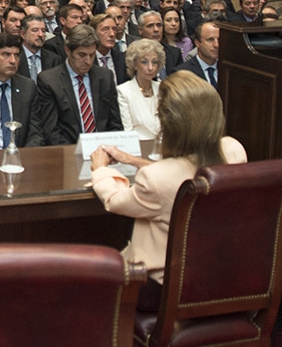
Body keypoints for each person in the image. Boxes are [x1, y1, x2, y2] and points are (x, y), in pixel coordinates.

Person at [90, 71, 247, 310]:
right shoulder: (234, 150)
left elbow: (114, 200)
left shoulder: (155, 179)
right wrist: (133, 160)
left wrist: (100, 169)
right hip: (221, 276)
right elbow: (186, 167)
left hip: (163, 288)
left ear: (168, 125)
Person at [36, 25, 121, 145]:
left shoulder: (105, 77)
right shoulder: (49, 81)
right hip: (69, 151)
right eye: (82, 55)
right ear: (68, 50)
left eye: (92, 55)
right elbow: (51, 131)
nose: (88, 61)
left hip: (104, 148)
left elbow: (115, 123)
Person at [116, 39, 166, 141]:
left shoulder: (162, 88)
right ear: (134, 64)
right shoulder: (123, 91)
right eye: (144, 62)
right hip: (138, 148)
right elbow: (127, 130)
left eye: (154, 62)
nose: (150, 67)